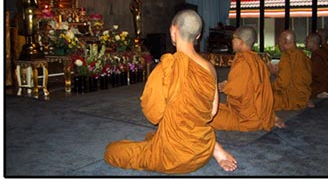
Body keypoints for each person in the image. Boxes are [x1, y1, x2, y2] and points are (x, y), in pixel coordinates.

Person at [104, 9, 237, 173]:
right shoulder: (209, 68)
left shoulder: (166, 67)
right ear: (198, 36)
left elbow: (152, 114)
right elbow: (212, 112)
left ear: (173, 31)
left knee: (112, 151)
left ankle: (204, 146)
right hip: (201, 151)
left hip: (173, 156)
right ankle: (214, 148)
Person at [211, 26, 285, 131]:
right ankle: (269, 116)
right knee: (214, 107)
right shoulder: (258, 60)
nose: (231, 41)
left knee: (204, 114)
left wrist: (226, 86)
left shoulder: (244, 61)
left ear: (240, 42)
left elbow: (236, 90)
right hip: (258, 112)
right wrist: (229, 84)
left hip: (244, 118)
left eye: (233, 38)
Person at [268, 30, 313, 110]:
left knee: (261, 96)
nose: (278, 44)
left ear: (285, 41)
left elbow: (282, 83)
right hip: (303, 95)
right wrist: (276, 71)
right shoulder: (302, 55)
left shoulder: (288, 56)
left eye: (279, 41)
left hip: (291, 97)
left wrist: (269, 87)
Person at [305, 32, 328, 99]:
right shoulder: (320, 52)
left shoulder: (317, 56)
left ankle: (319, 93)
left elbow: (313, 74)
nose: (305, 43)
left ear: (313, 43)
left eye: (307, 41)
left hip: (322, 85)